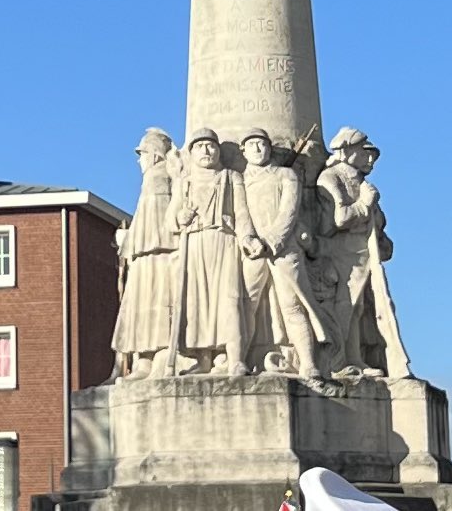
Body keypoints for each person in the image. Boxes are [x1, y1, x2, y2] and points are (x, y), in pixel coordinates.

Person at [168, 127, 261, 376]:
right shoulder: (184, 182)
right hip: (195, 242)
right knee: (196, 303)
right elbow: (170, 219)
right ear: (191, 153)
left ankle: (235, 359)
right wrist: (180, 217)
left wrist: (248, 237)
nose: (207, 151)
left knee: (230, 300)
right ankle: (203, 358)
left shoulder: (231, 177)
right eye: (200, 146)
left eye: (211, 146)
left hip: (224, 240)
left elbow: (241, 212)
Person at [241, 128, 327, 378]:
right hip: (252, 251)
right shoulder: (240, 180)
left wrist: (270, 241)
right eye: (252, 144)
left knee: (294, 304)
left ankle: (308, 363)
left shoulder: (286, 175)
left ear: (270, 147)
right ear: (243, 151)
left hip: (284, 247)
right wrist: (248, 239)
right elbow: (241, 212)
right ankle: (238, 359)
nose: (258, 149)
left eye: (262, 144)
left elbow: (288, 212)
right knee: (246, 304)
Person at [316, 127, 395, 377]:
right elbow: (341, 218)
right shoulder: (330, 178)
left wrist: (383, 240)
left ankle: (355, 358)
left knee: (358, 308)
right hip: (342, 253)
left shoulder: (361, 182)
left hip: (363, 254)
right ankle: (336, 362)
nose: (370, 159)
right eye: (365, 152)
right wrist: (364, 203)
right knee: (345, 305)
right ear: (348, 151)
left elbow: (377, 221)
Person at [111, 128, 180, 381]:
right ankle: (145, 360)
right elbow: (144, 222)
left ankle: (155, 360)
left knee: (158, 307)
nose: (139, 160)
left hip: (160, 254)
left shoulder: (161, 179)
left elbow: (160, 222)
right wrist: (128, 240)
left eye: (142, 154)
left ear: (153, 155)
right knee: (144, 309)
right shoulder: (151, 181)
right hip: (145, 255)